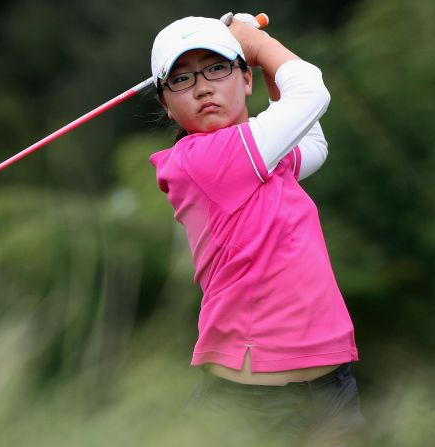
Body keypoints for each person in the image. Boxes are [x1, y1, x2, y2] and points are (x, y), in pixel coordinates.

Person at [148, 13, 366, 445]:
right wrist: (256, 43)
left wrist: (259, 55)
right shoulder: (204, 160)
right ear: (166, 104)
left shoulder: (260, 153)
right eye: (182, 78)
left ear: (245, 80)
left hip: (332, 390)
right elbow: (311, 92)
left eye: (216, 67)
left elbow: (314, 143)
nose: (204, 86)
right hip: (255, 402)